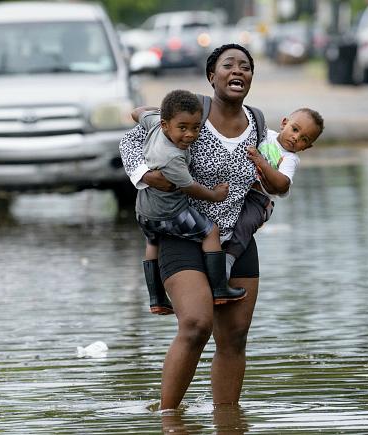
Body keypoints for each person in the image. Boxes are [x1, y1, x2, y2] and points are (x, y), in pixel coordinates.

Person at [118, 43, 266, 410]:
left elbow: (266, 179)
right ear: (210, 75)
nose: (237, 71)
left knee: (234, 338)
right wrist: (146, 176)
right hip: (181, 233)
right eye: (228, 65)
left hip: (235, 241)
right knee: (197, 324)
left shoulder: (258, 122)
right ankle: (169, 419)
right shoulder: (189, 109)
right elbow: (131, 138)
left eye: (245, 67)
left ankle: (228, 421)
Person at [132, 89, 246, 313]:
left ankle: (156, 300)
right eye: (182, 128)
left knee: (152, 242)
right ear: (166, 125)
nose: (190, 135)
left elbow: (137, 112)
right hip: (170, 213)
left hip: (144, 212)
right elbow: (190, 187)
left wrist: (156, 112)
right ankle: (219, 288)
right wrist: (214, 195)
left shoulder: (154, 122)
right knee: (211, 232)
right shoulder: (172, 156)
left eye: (196, 128)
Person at [222, 107, 324, 276]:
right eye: (295, 129)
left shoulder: (290, 159)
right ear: (284, 123)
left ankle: (229, 259)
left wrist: (260, 161)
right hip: (239, 186)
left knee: (247, 223)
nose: (296, 137)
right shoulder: (265, 135)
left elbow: (282, 184)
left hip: (258, 199)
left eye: (304, 139)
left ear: (306, 147)